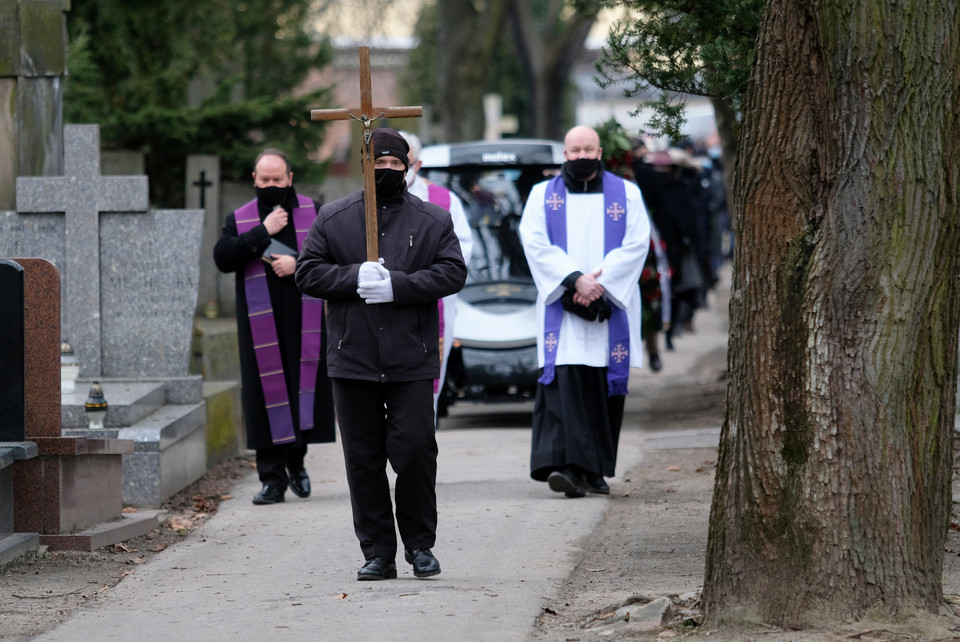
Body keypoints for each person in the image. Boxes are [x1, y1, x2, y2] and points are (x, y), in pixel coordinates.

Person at [295, 128, 467, 581]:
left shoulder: (432, 219)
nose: (387, 172)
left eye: (395, 165)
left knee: (414, 451)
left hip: (410, 355)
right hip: (353, 356)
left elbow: (452, 272)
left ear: (408, 168)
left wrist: (399, 286)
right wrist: (353, 277)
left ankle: (420, 545)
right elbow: (308, 273)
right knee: (363, 458)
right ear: (365, 166)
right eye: (379, 165)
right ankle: (377, 551)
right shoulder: (334, 218)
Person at [519, 125, 650, 498]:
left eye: (588, 149)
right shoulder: (542, 195)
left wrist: (600, 285)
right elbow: (534, 242)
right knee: (566, 386)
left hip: (611, 303)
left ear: (600, 151)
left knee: (603, 389)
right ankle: (570, 469)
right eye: (574, 150)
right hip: (563, 305)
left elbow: (637, 243)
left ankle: (594, 471)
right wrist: (575, 280)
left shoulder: (627, 193)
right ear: (564, 154)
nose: (581, 156)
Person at [213, 148, 335, 505]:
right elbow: (223, 258)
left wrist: (297, 264)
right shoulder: (240, 218)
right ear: (254, 179)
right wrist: (261, 234)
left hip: (303, 321)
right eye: (263, 180)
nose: (270, 185)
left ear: (290, 179)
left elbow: (333, 259)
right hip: (258, 325)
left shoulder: (313, 213)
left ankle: (296, 462)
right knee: (263, 395)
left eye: (277, 180)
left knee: (300, 392)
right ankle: (271, 480)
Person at [397, 130, 474, 421]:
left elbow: (464, 243)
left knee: (426, 377)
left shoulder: (443, 199)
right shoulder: (367, 201)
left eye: (403, 162)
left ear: (417, 165)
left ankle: (424, 424)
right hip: (387, 299)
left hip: (432, 296)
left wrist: (434, 275)